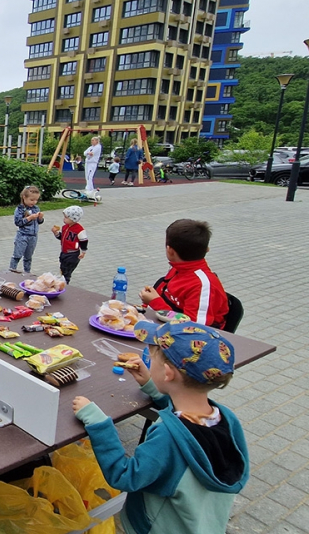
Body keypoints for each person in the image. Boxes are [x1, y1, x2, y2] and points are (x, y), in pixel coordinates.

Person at [73, 321, 247, 534]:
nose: (148, 360)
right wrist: (153, 386)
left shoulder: (167, 437)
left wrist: (98, 424)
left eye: (151, 358)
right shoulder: (226, 418)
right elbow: (184, 416)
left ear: (168, 373)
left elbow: (125, 475)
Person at [140, 219, 229, 329]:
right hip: (161, 327)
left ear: (170, 251)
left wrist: (155, 302)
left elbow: (193, 329)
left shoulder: (202, 285)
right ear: (207, 249)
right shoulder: (178, 269)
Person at [10, 186, 44, 274]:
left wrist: (40, 218)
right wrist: (29, 218)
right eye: (32, 200)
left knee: (28, 257)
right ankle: (12, 270)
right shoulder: (20, 209)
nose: (34, 202)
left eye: (36, 200)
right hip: (23, 236)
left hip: (33, 236)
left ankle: (27, 272)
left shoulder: (36, 208)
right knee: (17, 255)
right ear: (24, 197)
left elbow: (39, 222)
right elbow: (18, 222)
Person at [52, 205, 87, 284]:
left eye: (66, 217)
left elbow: (84, 241)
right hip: (64, 252)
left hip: (73, 254)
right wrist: (56, 233)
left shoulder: (79, 230)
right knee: (62, 268)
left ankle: (65, 284)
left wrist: (83, 251)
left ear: (73, 219)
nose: (64, 219)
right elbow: (62, 237)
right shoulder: (65, 227)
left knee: (67, 272)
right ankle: (62, 281)